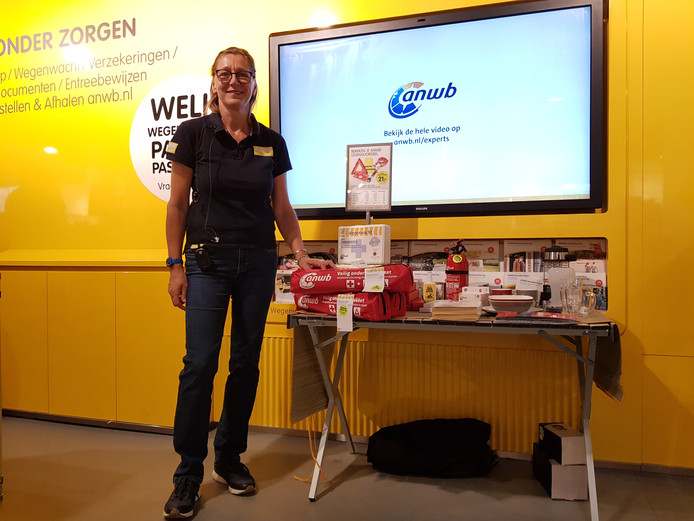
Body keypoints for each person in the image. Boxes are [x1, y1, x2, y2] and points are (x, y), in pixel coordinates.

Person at [163, 46, 334, 519]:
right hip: (206, 262)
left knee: (245, 363)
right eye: (225, 73)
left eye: (242, 73)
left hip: (258, 263)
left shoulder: (271, 141)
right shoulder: (193, 133)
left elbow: (282, 206)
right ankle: (187, 472)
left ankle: (229, 458)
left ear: (254, 83)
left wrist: (299, 251)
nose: (233, 80)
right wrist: (174, 265)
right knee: (199, 365)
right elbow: (177, 204)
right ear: (213, 81)